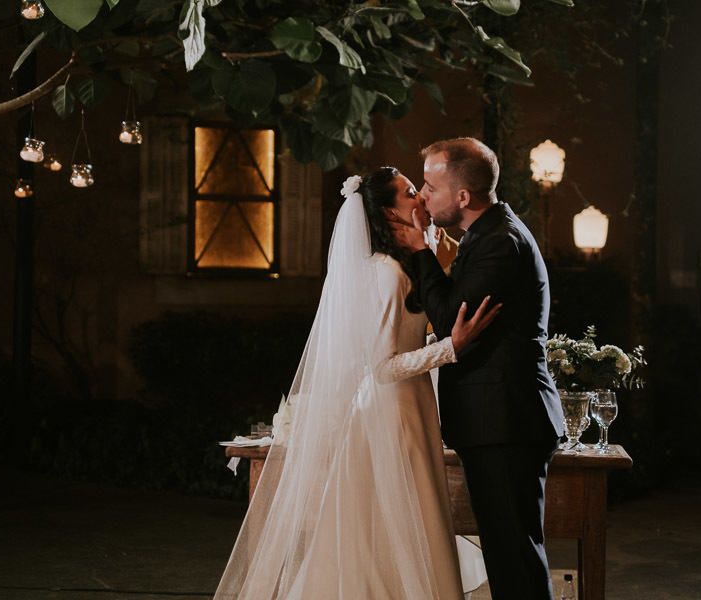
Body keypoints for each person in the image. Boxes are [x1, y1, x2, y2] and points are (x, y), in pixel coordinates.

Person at [213, 167, 498, 600]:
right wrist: (450, 348)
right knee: (389, 527)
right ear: (389, 212)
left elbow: (400, 339)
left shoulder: (400, 265)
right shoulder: (385, 272)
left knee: (406, 523)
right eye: (410, 192)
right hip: (391, 412)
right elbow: (381, 366)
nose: (420, 197)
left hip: (409, 406)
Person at [390, 137, 566, 600]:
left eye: (431, 187)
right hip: (497, 420)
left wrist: (421, 250)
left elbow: (450, 319)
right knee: (508, 555)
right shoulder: (485, 235)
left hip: (505, 419)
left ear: (463, 196)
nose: (423, 196)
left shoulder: (500, 243)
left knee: (515, 557)